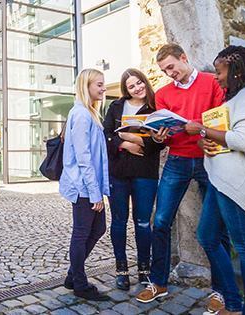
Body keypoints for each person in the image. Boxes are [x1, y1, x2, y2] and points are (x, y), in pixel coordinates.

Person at [185, 46, 245, 315]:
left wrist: (200, 128)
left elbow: (243, 140)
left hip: (237, 185)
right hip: (220, 181)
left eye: (220, 71)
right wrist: (205, 141)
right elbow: (225, 137)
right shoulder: (232, 100)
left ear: (236, 71)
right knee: (208, 237)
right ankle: (233, 304)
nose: (216, 77)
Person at [136, 43, 228, 302]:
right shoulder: (163, 94)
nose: (169, 74)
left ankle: (221, 291)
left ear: (184, 58)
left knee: (218, 228)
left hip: (208, 161)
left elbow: (220, 124)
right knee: (161, 221)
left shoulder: (212, 83)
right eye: (165, 71)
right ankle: (159, 283)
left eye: (171, 67)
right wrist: (160, 136)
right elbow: (164, 135)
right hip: (176, 160)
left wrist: (198, 129)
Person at [102, 69, 163, 290]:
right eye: (131, 86)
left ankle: (144, 270)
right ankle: (121, 270)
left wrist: (145, 140)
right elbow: (106, 135)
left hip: (145, 173)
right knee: (119, 221)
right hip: (118, 172)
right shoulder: (116, 107)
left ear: (145, 82)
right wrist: (125, 142)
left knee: (143, 222)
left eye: (139, 83)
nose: (137, 88)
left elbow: (160, 143)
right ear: (125, 90)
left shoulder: (156, 107)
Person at [61, 68, 111, 301]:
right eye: (99, 84)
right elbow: (83, 157)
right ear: (87, 86)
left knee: (97, 229)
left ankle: (73, 276)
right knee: (82, 233)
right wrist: (94, 193)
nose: (103, 88)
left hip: (88, 186)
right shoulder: (81, 114)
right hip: (83, 187)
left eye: (103, 84)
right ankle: (80, 283)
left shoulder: (87, 113)